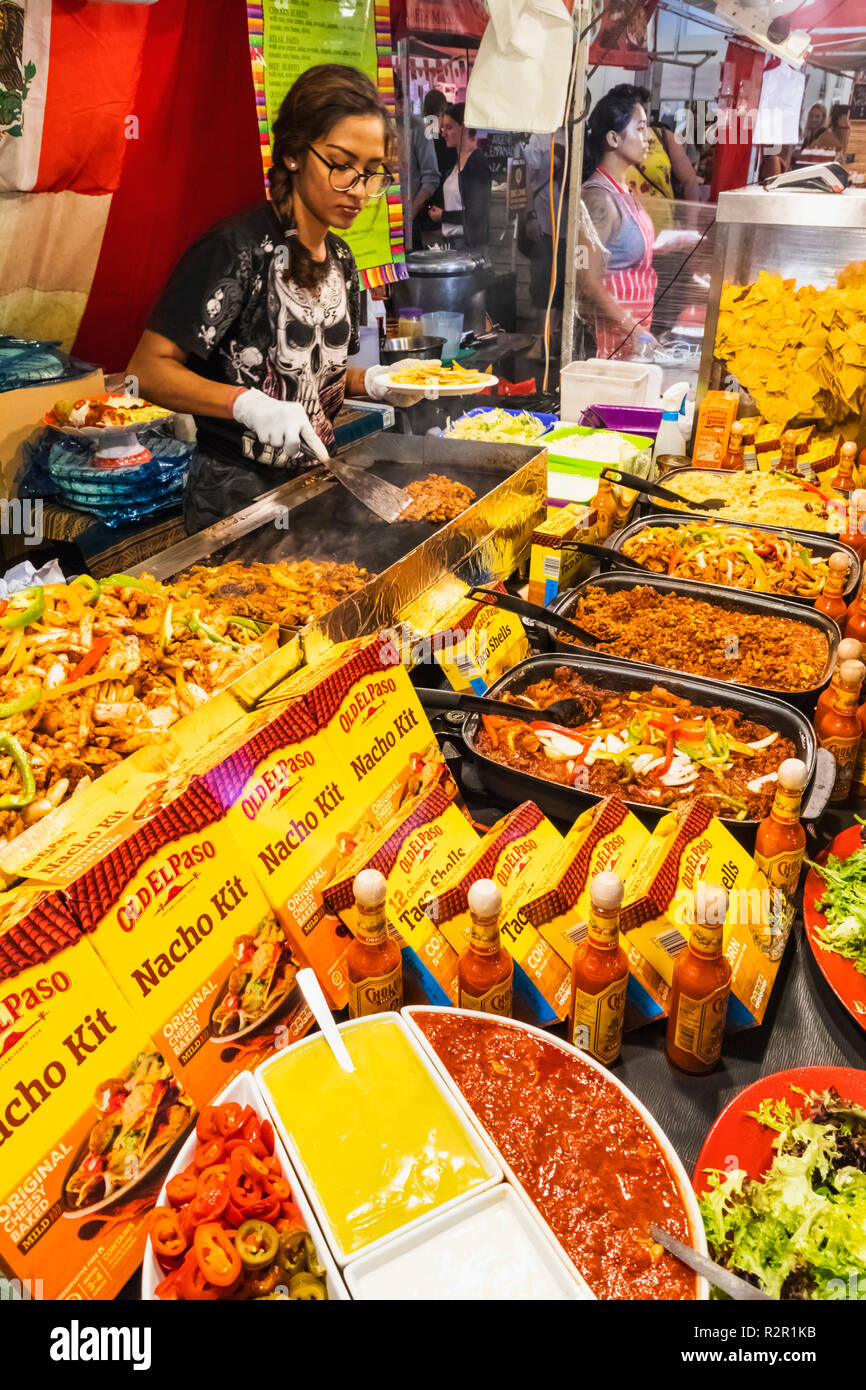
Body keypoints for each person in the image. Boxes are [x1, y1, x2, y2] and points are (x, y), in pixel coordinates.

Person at [128, 64, 422, 533]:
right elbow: (146, 371)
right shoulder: (236, 249)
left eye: (371, 173)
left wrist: (375, 382)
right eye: (340, 165)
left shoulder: (341, 259)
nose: (358, 190)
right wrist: (245, 403)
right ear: (292, 155)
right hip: (233, 494)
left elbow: (317, 377)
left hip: (316, 481)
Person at [578, 86, 701, 361]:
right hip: (607, 342)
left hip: (632, 335)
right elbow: (587, 280)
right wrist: (634, 330)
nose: (649, 138)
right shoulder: (598, 199)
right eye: (640, 128)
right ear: (614, 138)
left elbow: (619, 250)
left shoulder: (625, 190)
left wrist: (662, 244)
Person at [428, 103, 492, 255]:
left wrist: (443, 216)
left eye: (449, 127)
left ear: (464, 127)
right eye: (443, 128)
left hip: (467, 245)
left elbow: (477, 214)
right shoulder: (456, 163)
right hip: (453, 243)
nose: (443, 134)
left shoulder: (476, 162)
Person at [624, 89, 701, 207]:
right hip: (626, 215)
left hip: (663, 216)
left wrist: (691, 217)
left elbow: (690, 181)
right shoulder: (614, 141)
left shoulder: (663, 137)